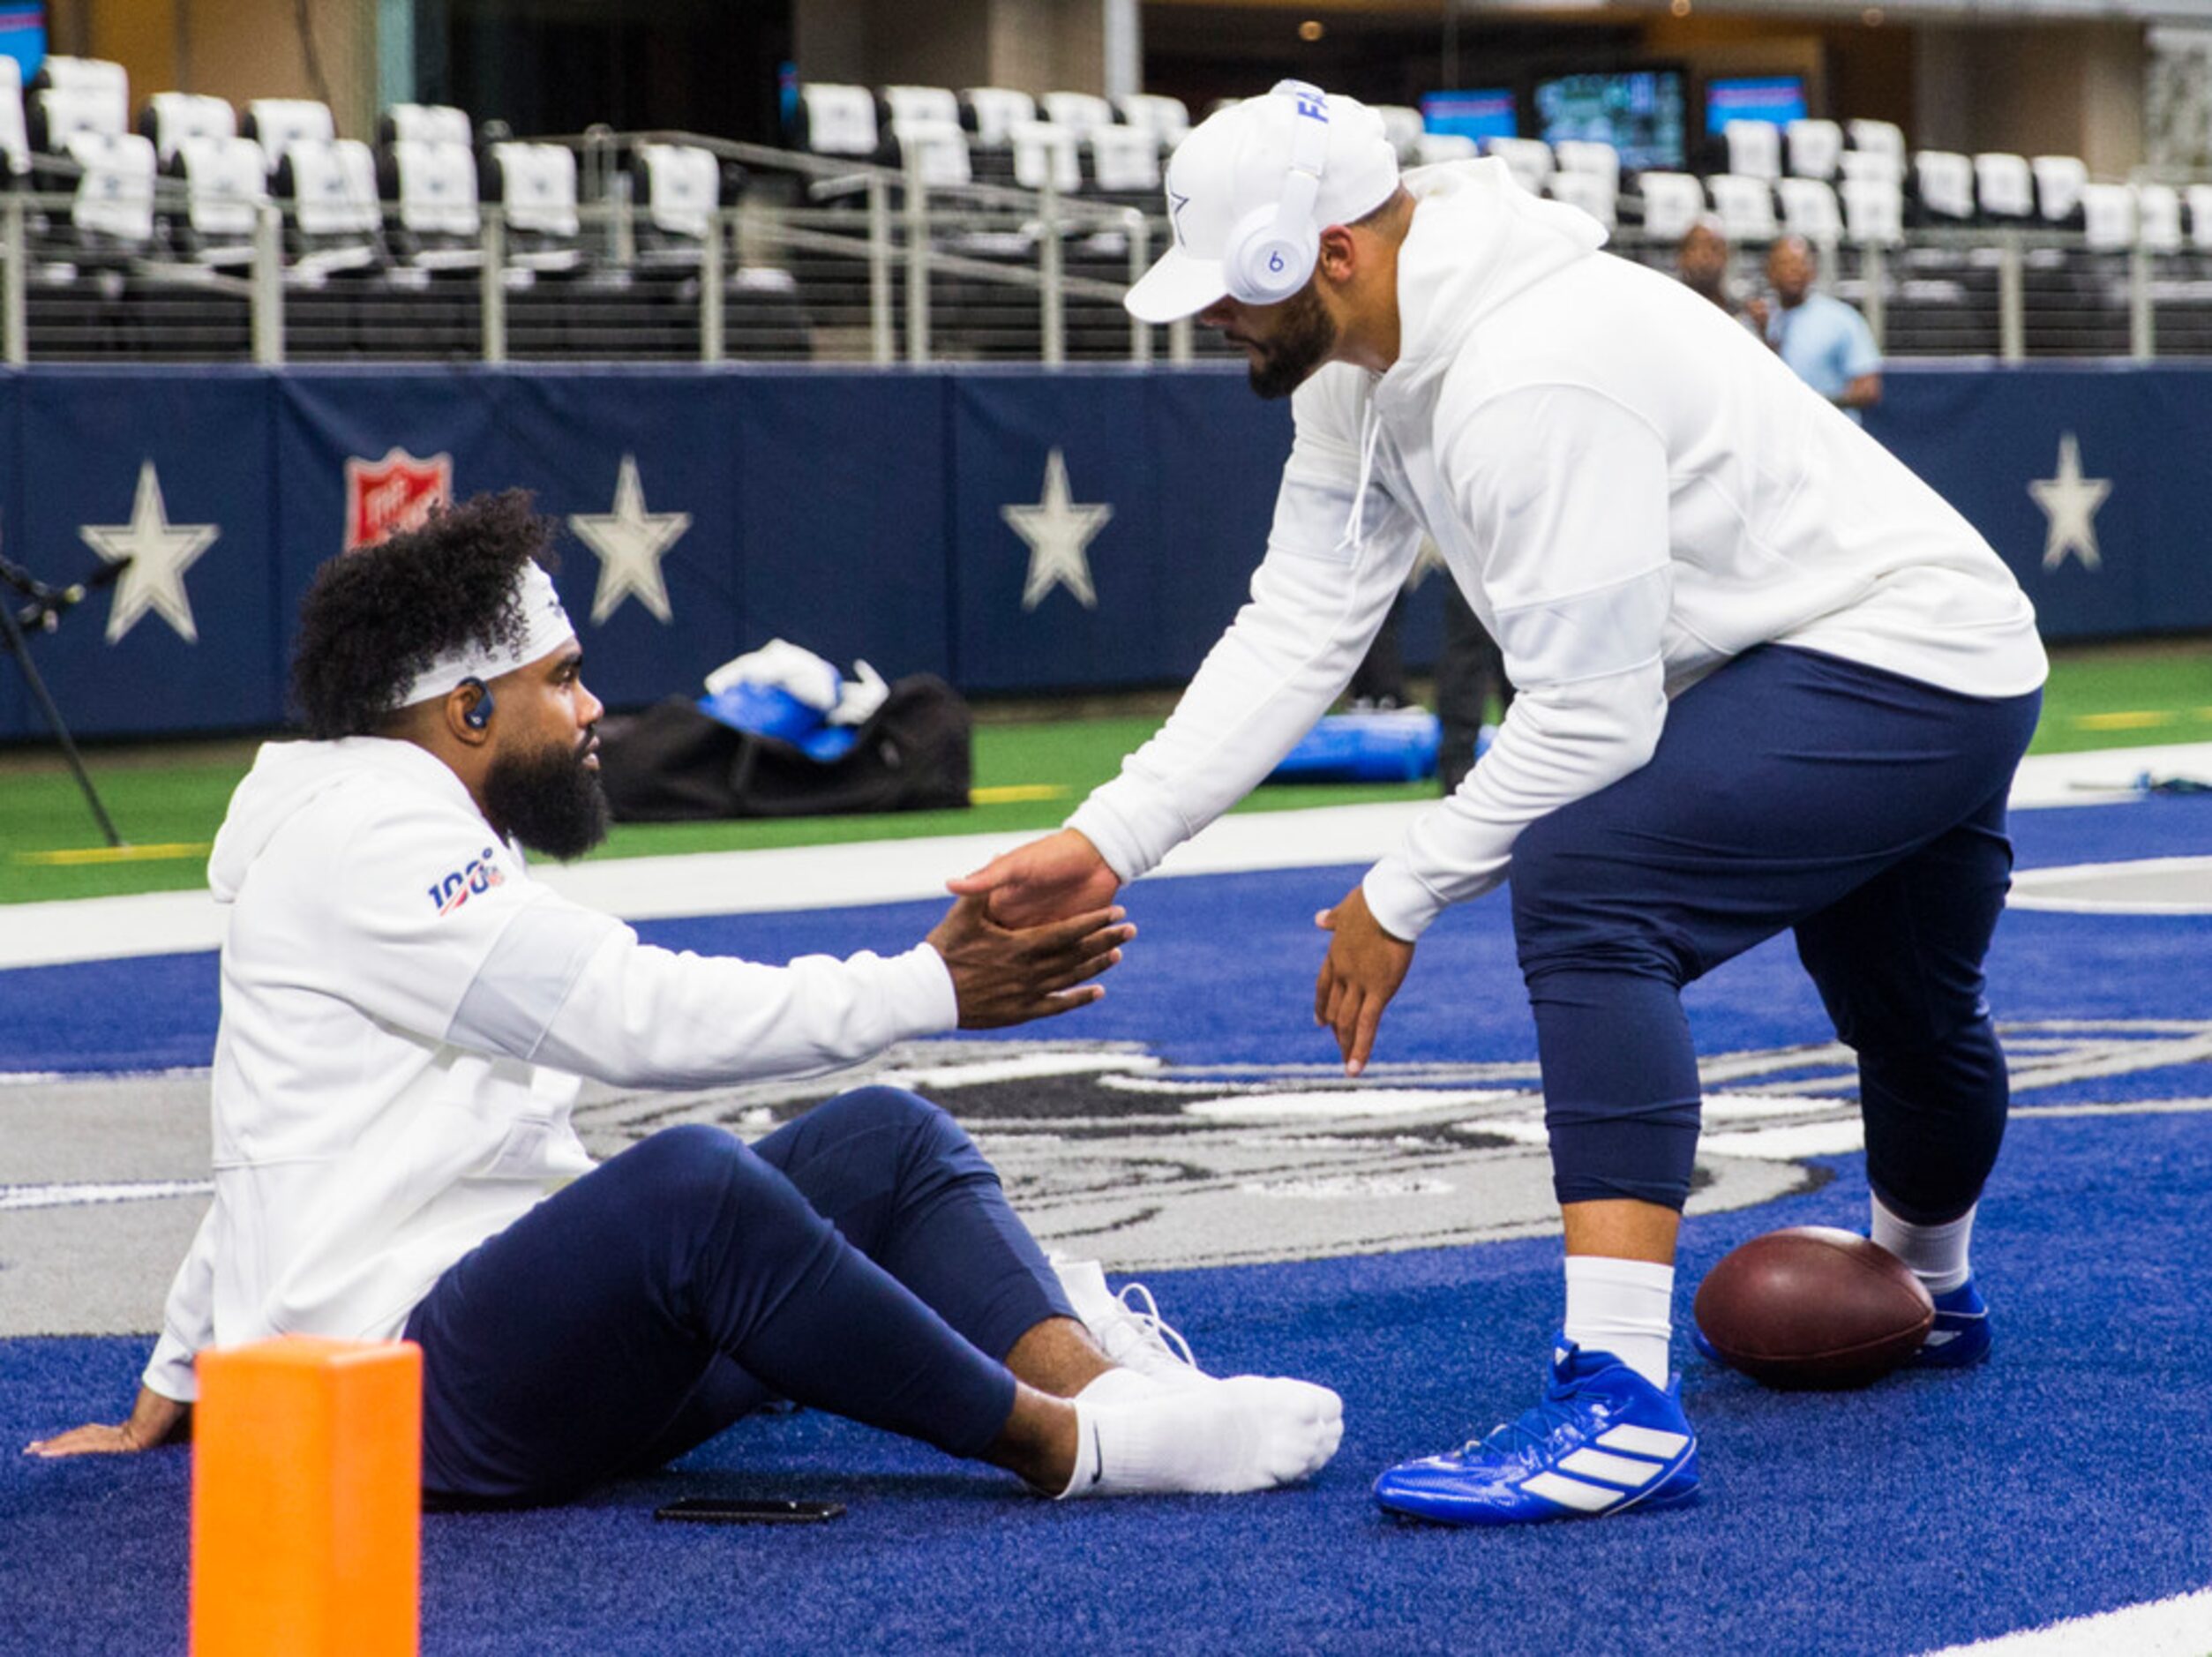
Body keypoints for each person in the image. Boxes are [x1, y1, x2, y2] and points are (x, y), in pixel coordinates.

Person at [949, 82, 2045, 1526]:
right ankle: (1931, 1286)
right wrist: (1107, 840)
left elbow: (1592, 714)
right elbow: (1300, 623)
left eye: (1227, 289)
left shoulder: (1531, 366)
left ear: (1325, 252)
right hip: (1806, 649)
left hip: (1911, 651)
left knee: (1593, 881)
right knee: (1900, 996)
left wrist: (1397, 892)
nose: (1210, 319)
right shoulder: (1364, 362)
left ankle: (1617, 1397)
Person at [25, 491, 1343, 1507]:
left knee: (883, 1139)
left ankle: (1112, 1388)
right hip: (410, 1397)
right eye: (564, 679)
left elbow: (260, 1133)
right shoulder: (364, 837)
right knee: (692, 1188)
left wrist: (174, 1372)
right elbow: (623, 1013)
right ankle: (1069, 1446)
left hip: (517, 1359)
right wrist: (925, 982)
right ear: (467, 706)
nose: (595, 710)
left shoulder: (410, 815)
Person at [1748, 234, 1883, 423]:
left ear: (1813, 271)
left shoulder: (1842, 319)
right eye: (1784, 264)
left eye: (1800, 263)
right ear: (1769, 272)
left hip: (1830, 434)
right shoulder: (1756, 319)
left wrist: (1817, 403)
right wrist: (1761, 333)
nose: (1792, 271)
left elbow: (1868, 390)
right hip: (1776, 433)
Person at [1675, 214, 1736, 314]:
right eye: (1695, 247)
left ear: (1726, 257)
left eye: (1714, 248)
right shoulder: (1666, 305)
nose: (1705, 255)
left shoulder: (1740, 314)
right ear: (1681, 257)